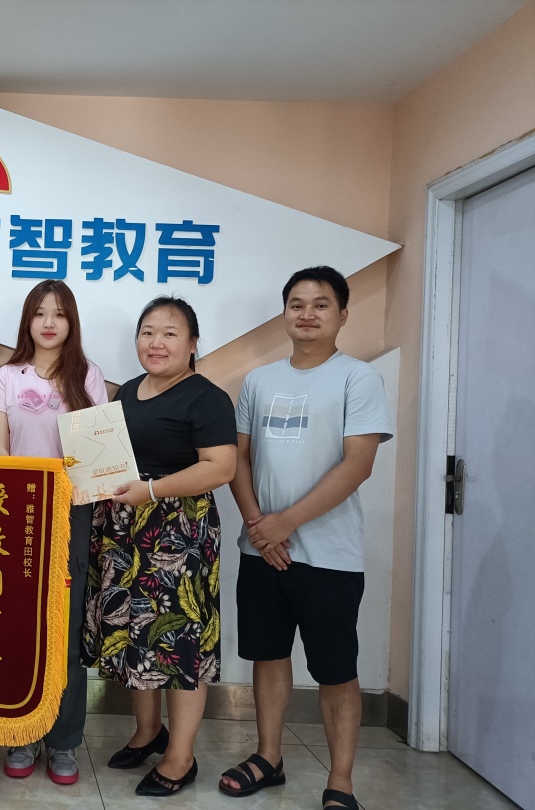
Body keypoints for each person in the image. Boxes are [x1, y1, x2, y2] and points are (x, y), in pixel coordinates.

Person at [219, 266, 393, 810]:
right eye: (297, 304)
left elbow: (358, 464)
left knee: (336, 669)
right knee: (268, 656)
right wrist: (259, 526)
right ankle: (268, 757)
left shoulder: (358, 378)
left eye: (321, 304)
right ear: (285, 314)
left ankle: (341, 781)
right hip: (261, 550)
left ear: (343, 314)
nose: (307, 313)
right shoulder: (259, 381)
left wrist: (286, 522)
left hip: (329, 555)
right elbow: (239, 458)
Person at [83, 296, 236, 797]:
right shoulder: (128, 391)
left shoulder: (206, 398)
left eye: (170, 333)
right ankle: (148, 733)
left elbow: (221, 467)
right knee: (134, 633)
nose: (157, 342)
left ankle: (180, 756)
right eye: (148, 332)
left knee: (178, 640)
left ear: (193, 343)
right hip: (125, 528)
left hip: (177, 533)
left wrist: (151, 490)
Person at [0, 280, 108, 786]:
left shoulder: (88, 375)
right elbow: (0, 452)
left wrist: (66, 495)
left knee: (65, 630)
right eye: (40, 313)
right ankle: (20, 733)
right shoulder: (7, 376)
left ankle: (62, 741)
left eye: (59, 313)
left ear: (71, 321)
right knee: (16, 626)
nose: (50, 322)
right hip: (16, 513)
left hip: (71, 514)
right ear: (28, 321)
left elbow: (97, 455)